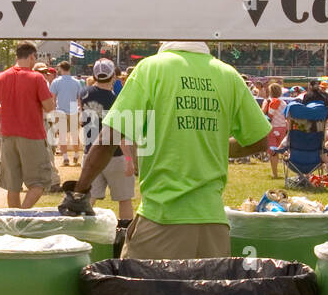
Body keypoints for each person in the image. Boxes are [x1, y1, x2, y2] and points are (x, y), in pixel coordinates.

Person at [65, 40, 270, 260]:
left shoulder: (151, 69)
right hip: (214, 225)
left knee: (140, 292)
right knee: (207, 294)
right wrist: (213, 145)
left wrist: (79, 191)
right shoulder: (228, 75)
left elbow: (108, 139)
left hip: (161, 221)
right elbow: (260, 140)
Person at [0, 43, 56, 208]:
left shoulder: (1, 77)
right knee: (39, 182)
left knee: (13, 185)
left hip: (8, 135)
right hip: (32, 135)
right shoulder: (37, 77)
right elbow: (49, 106)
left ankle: (14, 220)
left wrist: (7, 110)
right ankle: (22, 213)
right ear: (32, 56)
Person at [76, 57, 135, 222]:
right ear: (113, 77)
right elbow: (118, 134)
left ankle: (81, 230)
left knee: (88, 199)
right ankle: (123, 233)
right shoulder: (116, 100)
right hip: (114, 155)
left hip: (91, 154)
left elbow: (82, 119)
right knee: (124, 199)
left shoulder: (83, 93)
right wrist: (129, 159)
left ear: (94, 76)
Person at [49, 61, 84, 166]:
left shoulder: (56, 82)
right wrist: (81, 110)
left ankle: (65, 157)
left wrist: (53, 110)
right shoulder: (76, 82)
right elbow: (80, 99)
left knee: (62, 136)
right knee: (75, 135)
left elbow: (53, 98)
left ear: (61, 69)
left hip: (61, 110)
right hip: (73, 109)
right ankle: (76, 154)